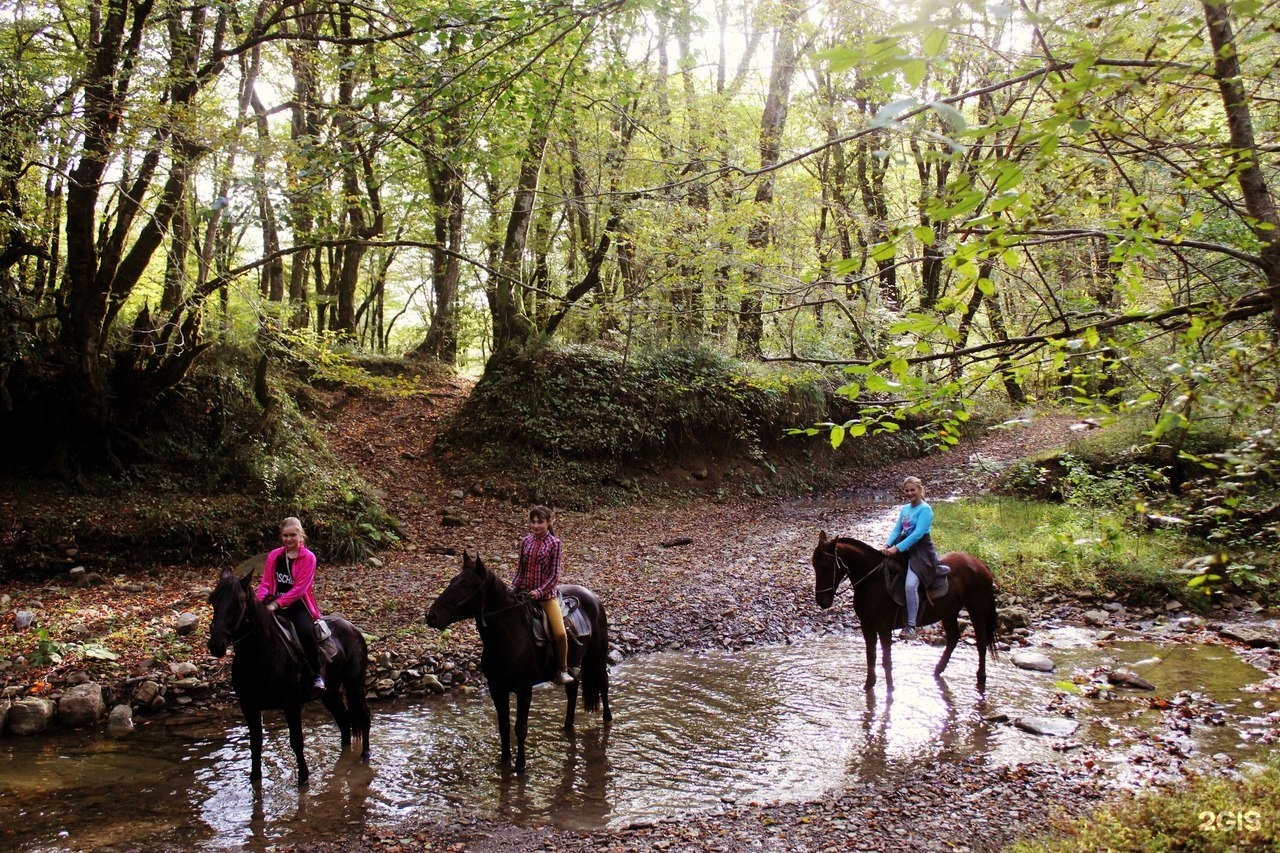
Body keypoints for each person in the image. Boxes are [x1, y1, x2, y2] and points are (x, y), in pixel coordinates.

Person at [256, 516, 326, 692]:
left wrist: (277, 604)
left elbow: (300, 589)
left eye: (293, 535)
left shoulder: (308, 558)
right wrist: (262, 600)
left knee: (305, 632)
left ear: (300, 535)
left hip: (297, 605)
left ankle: (316, 675)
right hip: (272, 602)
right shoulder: (274, 555)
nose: (289, 539)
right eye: (285, 535)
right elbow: (265, 582)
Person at [512, 505, 574, 685]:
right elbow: (520, 572)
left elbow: (554, 575)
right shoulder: (525, 542)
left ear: (549, 522)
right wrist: (512, 587)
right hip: (524, 594)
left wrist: (539, 591)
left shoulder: (555, 544)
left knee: (561, 633)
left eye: (540, 522)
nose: (536, 525)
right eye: (533, 522)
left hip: (546, 597)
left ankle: (561, 670)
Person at [881, 476, 942, 641]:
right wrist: (887, 545)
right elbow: (897, 529)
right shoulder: (905, 509)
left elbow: (918, 534)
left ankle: (911, 626)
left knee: (910, 585)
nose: (909, 493)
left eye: (912, 490)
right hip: (904, 549)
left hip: (921, 552)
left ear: (920, 490)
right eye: (907, 491)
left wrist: (897, 548)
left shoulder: (925, 509)